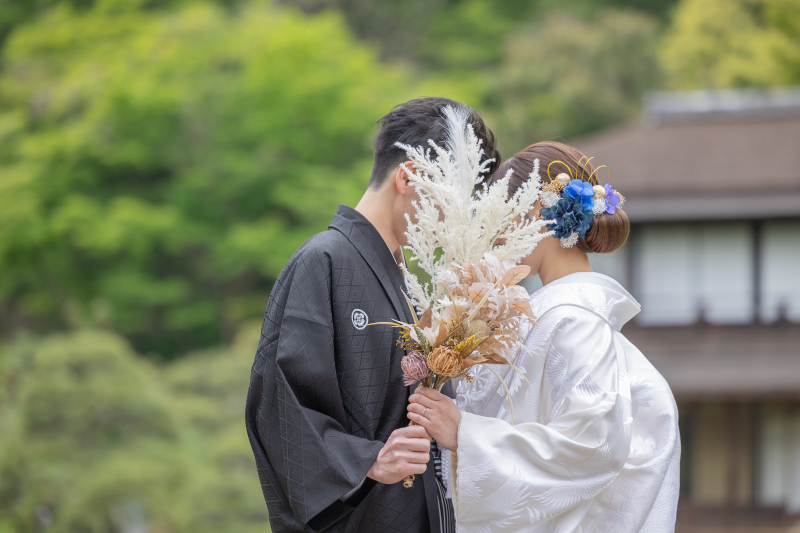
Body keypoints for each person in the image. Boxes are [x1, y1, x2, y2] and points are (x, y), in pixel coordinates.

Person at [245, 97, 500, 533]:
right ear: (408, 177)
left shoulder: (409, 283)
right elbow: (278, 404)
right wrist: (368, 461)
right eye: (448, 198)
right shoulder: (323, 260)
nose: (452, 217)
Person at [408, 142, 681, 532]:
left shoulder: (574, 319)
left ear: (536, 210)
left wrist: (467, 434)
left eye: (501, 216)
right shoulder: (560, 314)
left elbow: (594, 443)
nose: (495, 234)